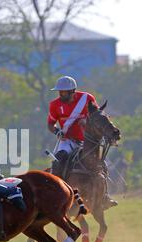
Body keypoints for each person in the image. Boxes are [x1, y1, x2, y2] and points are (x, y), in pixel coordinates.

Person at [47, 76, 117, 210]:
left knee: (101, 164)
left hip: (87, 141)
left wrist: (86, 121)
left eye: (64, 92)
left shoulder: (86, 99)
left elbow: (97, 115)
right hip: (67, 141)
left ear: (72, 91)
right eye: (59, 92)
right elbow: (50, 124)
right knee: (57, 161)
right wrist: (57, 132)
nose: (61, 95)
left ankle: (105, 196)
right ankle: (56, 193)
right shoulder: (54, 105)